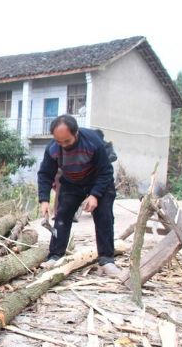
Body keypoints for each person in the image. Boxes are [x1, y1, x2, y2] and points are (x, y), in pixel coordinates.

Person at [37, 114, 120, 275]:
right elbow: (45, 174)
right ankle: (55, 256)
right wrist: (44, 199)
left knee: (104, 217)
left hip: (98, 180)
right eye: (59, 141)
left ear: (76, 134)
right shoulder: (53, 148)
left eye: (67, 141)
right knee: (62, 217)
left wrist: (95, 195)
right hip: (72, 182)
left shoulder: (93, 143)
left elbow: (106, 171)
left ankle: (106, 260)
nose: (63, 145)